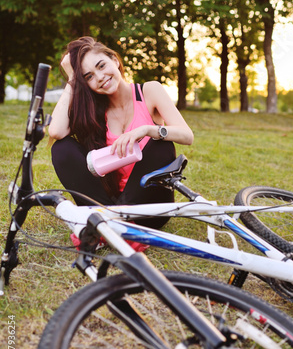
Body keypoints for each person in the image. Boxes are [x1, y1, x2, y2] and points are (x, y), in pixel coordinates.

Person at [49, 36, 194, 229]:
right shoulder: (93, 112)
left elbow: (187, 135)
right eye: (89, 76)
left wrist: (146, 130)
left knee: (161, 142)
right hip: (109, 202)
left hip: (149, 209)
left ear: (115, 60)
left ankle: (109, 221)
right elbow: (56, 131)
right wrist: (73, 79)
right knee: (62, 148)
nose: (99, 77)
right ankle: (110, 218)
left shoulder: (149, 91)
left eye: (101, 66)